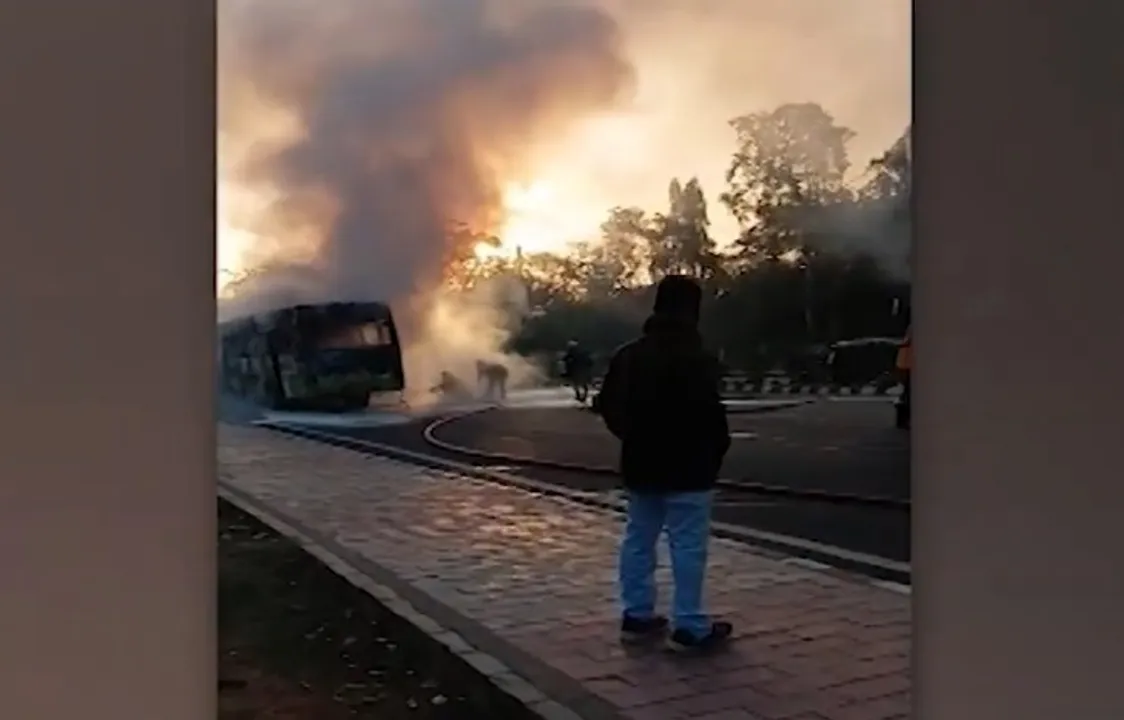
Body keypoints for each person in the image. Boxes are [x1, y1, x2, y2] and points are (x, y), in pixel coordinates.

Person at [597, 275, 733, 652]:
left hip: (642, 464)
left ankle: (637, 613)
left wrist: (633, 437)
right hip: (691, 468)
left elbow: (607, 405)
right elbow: (712, 416)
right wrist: (714, 452)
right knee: (688, 545)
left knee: (639, 538)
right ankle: (689, 623)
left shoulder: (629, 355)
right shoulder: (697, 357)